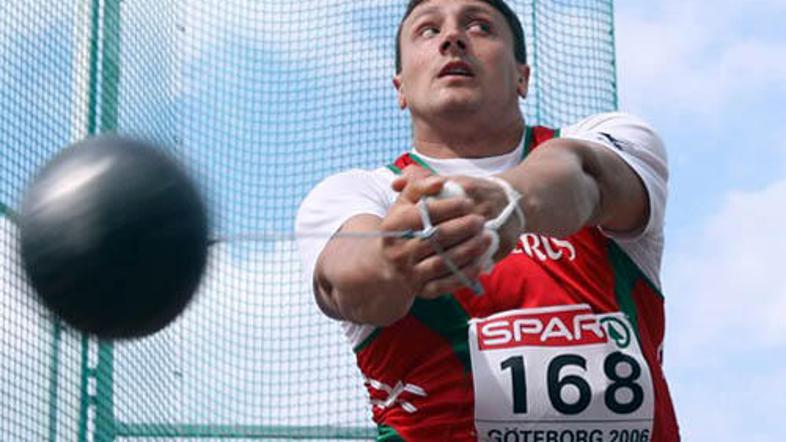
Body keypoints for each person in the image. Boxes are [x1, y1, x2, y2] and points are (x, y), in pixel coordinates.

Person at [295, 0, 680, 440]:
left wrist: (509, 201)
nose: (452, 38)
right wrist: (393, 260)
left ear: (522, 76)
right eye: (427, 30)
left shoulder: (615, 140)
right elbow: (345, 283)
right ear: (400, 88)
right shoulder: (361, 194)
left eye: (479, 26)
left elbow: (583, 176)